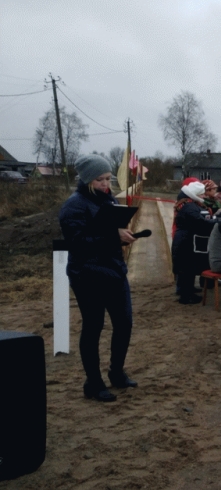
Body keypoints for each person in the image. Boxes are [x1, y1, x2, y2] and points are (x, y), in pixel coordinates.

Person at [59, 154, 138, 402]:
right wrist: (114, 237)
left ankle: (117, 372)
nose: (105, 184)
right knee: (93, 327)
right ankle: (93, 383)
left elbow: (107, 232)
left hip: (114, 270)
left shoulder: (109, 200)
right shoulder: (74, 206)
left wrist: (122, 235)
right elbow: (78, 243)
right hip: (87, 274)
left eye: (107, 178)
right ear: (86, 179)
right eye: (100, 179)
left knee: (124, 323)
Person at [172, 181, 218, 304]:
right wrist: (216, 222)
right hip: (185, 239)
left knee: (188, 265)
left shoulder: (188, 204)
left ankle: (188, 290)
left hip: (186, 238)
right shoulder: (189, 207)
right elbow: (200, 222)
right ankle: (186, 296)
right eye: (202, 194)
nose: (204, 196)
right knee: (186, 266)